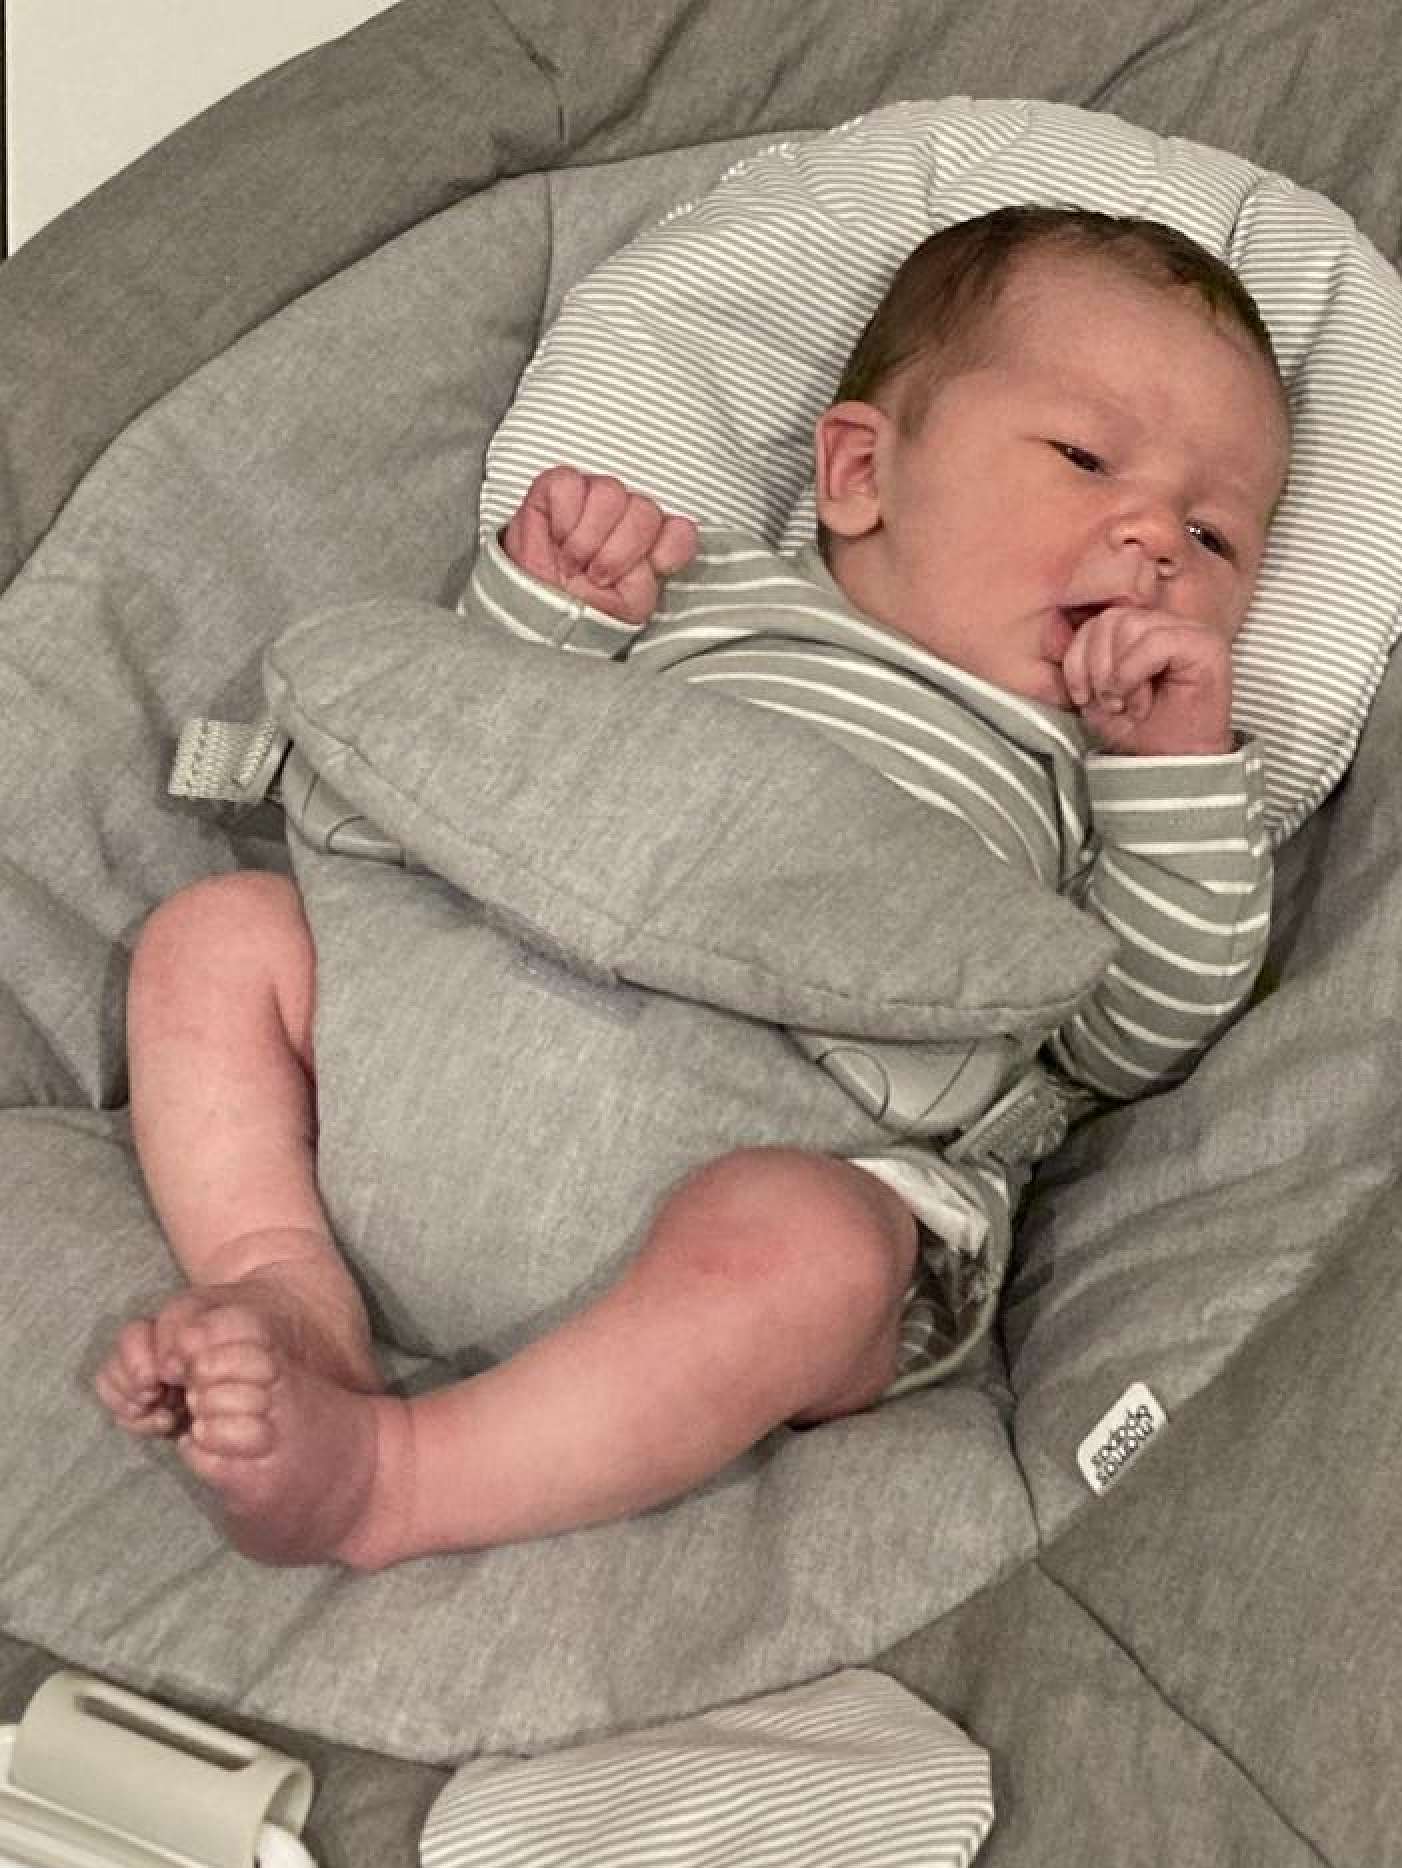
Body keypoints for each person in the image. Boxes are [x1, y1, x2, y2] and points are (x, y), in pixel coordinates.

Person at [94, 206, 1290, 1569]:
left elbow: (1129, 1041)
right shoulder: (695, 596)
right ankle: (286, 1282)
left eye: (1215, 537)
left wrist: (1177, 778)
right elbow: (472, 769)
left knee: (821, 1250)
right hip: (451, 1032)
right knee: (219, 937)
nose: (1152, 541)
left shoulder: (1091, 784)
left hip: (771, 1138)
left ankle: (400, 1478)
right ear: (861, 473)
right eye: (1084, 458)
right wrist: (547, 606)